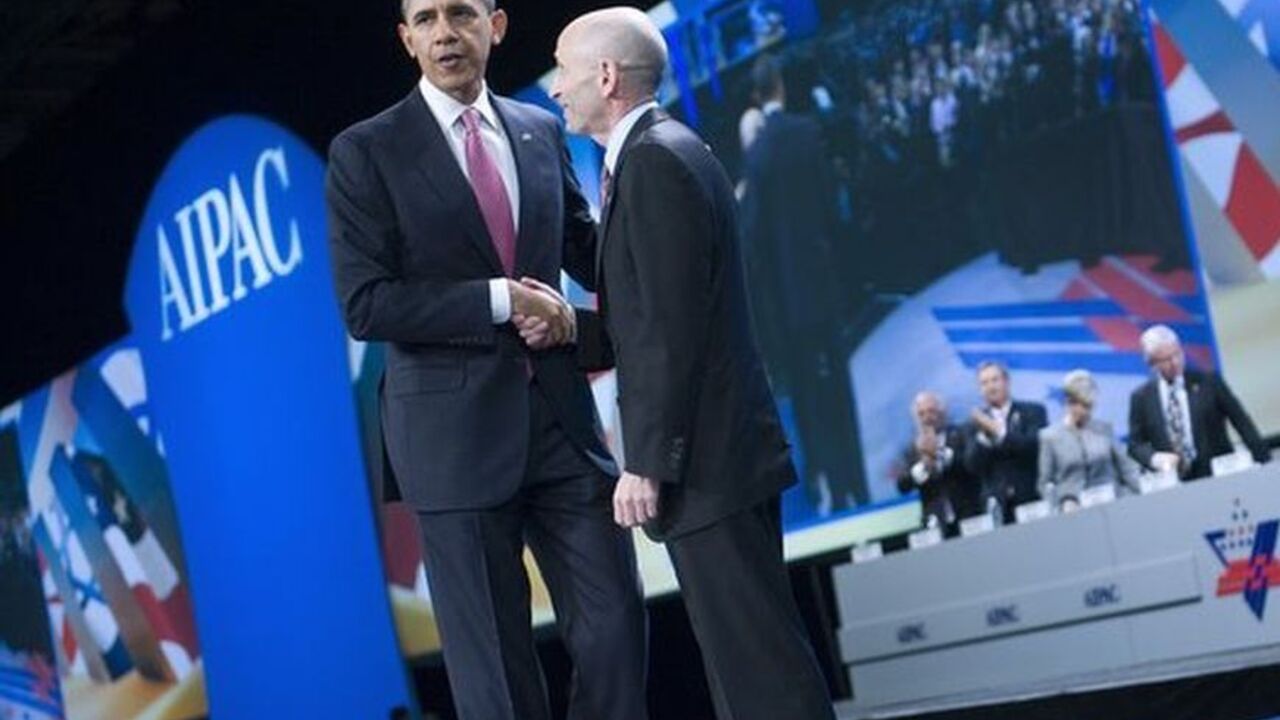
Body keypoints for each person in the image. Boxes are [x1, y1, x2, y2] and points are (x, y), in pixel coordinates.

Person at [324, 1, 647, 718]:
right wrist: (501, 300)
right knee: (497, 681)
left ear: (494, 27)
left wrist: (662, 197)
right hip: (451, 445)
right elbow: (368, 305)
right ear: (406, 39)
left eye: (461, 14)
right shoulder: (365, 151)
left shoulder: (537, 129)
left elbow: (589, 253)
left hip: (562, 427)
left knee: (617, 631)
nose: (446, 32)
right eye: (428, 18)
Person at [545, 8, 834, 719]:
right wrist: (564, 324)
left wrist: (645, 461)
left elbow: (672, 333)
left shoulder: (653, 160)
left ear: (607, 76)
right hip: (717, 463)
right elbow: (647, 316)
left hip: (709, 467)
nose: (555, 88)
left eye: (565, 69)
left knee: (760, 672)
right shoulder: (664, 151)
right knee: (750, 669)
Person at [741, 53, 864, 512]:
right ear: (781, 88)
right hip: (822, 285)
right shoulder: (808, 133)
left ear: (756, 96)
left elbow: (752, 239)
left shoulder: (757, 154)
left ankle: (823, 483)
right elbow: (833, 212)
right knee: (838, 388)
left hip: (787, 303)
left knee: (809, 401)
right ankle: (854, 481)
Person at [1128, 325, 1271, 480]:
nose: (1175, 362)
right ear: (1151, 363)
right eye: (1166, 360)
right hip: (1175, 484)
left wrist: (1265, 464)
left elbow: (1242, 423)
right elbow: (1135, 445)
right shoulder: (1141, 398)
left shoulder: (1209, 382)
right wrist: (1157, 459)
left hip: (1220, 476)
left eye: (1177, 354)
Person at [1037, 369, 1138, 512]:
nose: (1086, 412)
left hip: (1111, 504)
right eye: (1082, 405)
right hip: (1073, 511)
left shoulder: (1104, 429)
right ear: (1068, 403)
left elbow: (1126, 468)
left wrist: (1141, 493)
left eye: (1090, 406)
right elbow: (1045, 483)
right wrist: (1061, 504)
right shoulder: (1049, 436)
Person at [964, 361, 1048, 520]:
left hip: (1032, 497)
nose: (990, 387)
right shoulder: (973, 425)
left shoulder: (1033, 411)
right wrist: (985, 438)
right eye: (984, 383)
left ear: (1006, 382)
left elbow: (1035, 446)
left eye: (995, 380)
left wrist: (1000, 433)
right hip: (997, 506)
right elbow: (971, 465)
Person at [895, 391, 978, 534]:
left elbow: (972, 465)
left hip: (970, 517)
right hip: (935, 524)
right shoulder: (912, 449)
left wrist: (938, 453)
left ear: (943, 412)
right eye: (921, 414)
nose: (927, 418)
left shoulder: (962, 434)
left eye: (931, 411)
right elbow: (902, 485)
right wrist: (924, 465)